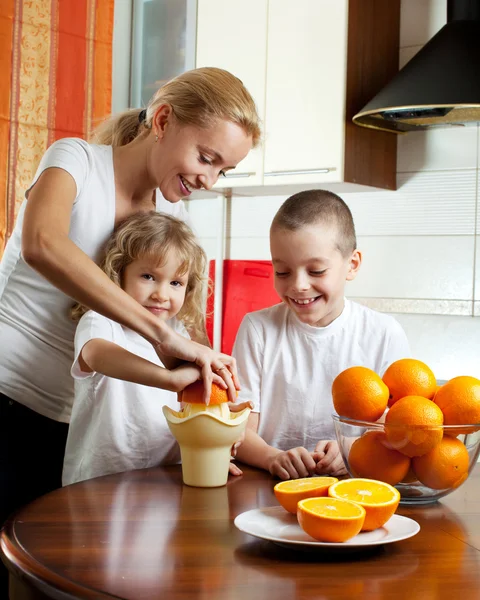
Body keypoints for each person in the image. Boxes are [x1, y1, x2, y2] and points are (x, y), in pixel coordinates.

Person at [0, 67, 260, 535]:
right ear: (162, 121)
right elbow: (42, 243)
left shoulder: (169, 211)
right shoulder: (75, 160)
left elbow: (179, 326)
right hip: (7, 398)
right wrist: (159, 335)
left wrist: (207, 427)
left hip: (71, 423)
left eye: (224, 169)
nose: (211, 179)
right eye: (206, 157)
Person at [62, 211, 252, 486]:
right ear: (119, 273)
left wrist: (220, 434)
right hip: (101, 481)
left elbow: (192, 404)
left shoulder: (180, 332)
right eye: (149, 276)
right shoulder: (102, 321)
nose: (161, 294)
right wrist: (170, 380)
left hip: (165, 478)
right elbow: (95, 355)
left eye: (175, 283)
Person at [232, 190, 411, 480]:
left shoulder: (384, 334)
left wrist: (351, 449)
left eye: (316, 271)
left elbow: (397, 431)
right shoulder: (258, 329)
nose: (299, 285)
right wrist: (272, 457)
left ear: (351, 265)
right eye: (282, 272)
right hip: (269, 487)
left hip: (354, 491)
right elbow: (238, 432)